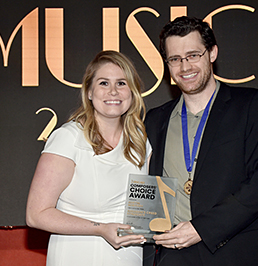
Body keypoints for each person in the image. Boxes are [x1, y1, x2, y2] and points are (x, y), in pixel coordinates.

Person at [144, 16, 258, 266]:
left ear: (212, 53)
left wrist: (201, 228)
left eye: (193, 55)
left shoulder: (251, 105)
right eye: (175, 59)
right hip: (174, 255)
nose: (184, 67)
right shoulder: (154, 119)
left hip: (239, 252)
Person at [26, 50, 152, 266]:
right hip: (77, 255)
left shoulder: (140, 140)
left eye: (121, 83)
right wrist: (100, 229)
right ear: (90, 92)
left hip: (129, 256)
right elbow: (36, 214)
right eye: (104, 83)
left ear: (132, 92)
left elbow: (146, 207)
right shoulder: (69, 138)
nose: (113, 91)